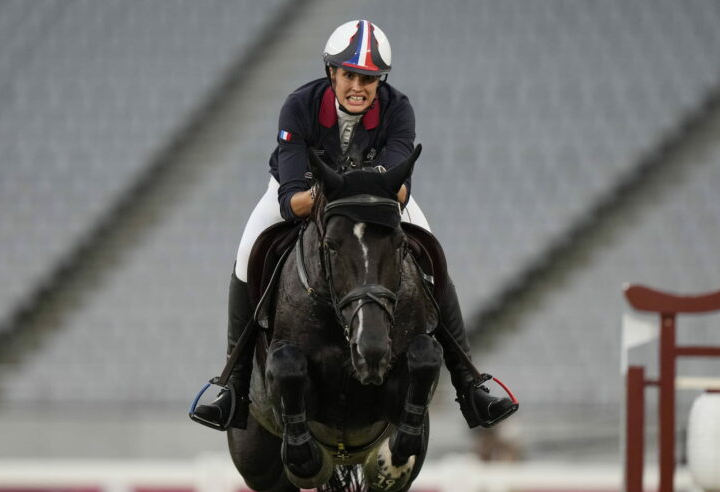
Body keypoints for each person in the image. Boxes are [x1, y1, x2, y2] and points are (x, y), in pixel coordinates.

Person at [196, 20, 516, 431]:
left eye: (368, 78)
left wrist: (358, 194)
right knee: (247, 254)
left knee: (433, 251)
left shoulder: (398, 109)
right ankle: (234, 387)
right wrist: (337, 196)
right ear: (332, 72)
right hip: (307, 194)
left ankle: (470, 384)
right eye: (349, 75)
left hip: (376, 202)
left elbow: (399, 188)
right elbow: (291, 199)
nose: (358, 87)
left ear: (379, 80)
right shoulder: (300, 106)